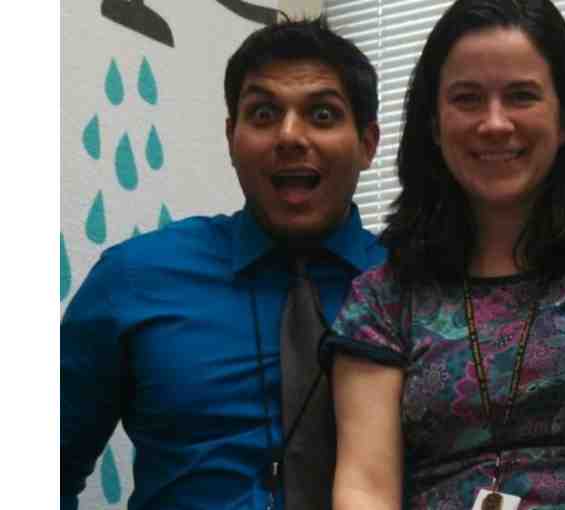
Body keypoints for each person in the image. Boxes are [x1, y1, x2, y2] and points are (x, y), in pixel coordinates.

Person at [61, 17, 383, 510]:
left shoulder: (421, 287)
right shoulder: (134, 278)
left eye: (322, 114)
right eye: (263, 114)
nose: (289, 135)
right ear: (232, 137)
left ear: (367, 144)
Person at [321, 0, 565, 509]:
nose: (495, 123)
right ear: (434, 125)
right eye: (468, 99)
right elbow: (365, 488)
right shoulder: (384, 301)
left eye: (521, 96)